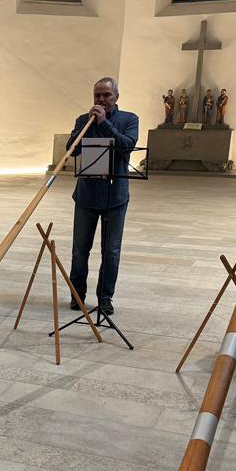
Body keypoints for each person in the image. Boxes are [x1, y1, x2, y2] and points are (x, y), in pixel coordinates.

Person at [66, 77, 139, 316]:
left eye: (106, 95)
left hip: (115, 196)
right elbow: (72, 149)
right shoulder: (83, 120)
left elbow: (127, 145)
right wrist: (86, 125)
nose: (101, 100)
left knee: (111, 251)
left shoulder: (129, 119)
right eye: (97, 95)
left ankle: (105, 298)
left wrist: (105, 123)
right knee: (80, 249)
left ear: (116, 96)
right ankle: (77, 295)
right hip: (87, 195)